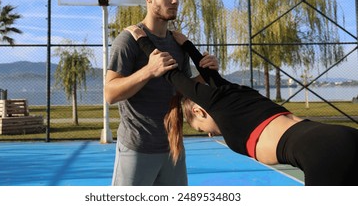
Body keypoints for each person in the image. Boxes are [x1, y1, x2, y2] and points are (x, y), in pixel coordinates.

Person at [125, 25, 358, 186]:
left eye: (200, 128)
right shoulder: (238, 93)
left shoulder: (216, 103)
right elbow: (212, 75)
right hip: (344, 135)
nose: (208, 134)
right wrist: (186, 44)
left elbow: (171, 75)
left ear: (199, 110)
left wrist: (141, 39)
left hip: (323, 153)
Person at [104, 0, 218, 186]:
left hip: (174, 147)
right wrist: (149, 71)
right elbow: (110, 94)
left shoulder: (178, 43)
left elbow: (181, 91)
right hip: (137, 148)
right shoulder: (128, 40)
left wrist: (204, 75)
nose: (175, 1)